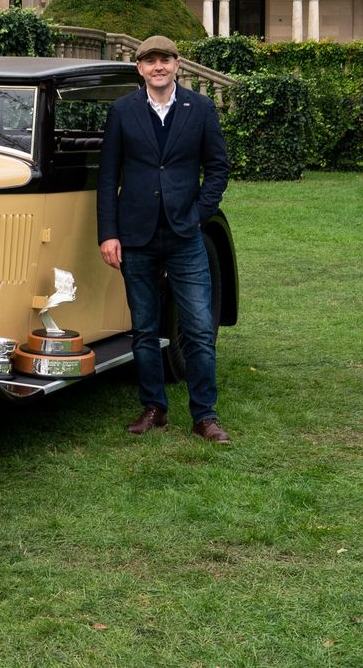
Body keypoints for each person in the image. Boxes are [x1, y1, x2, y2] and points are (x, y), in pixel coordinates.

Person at [95, 34, 232, 441]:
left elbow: (218, 168)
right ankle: (154, 408)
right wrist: (109, 234)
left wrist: (198, 215)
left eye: (165, 59)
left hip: (184, 236)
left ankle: (204, 415)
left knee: (198, 327)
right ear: (140, 68)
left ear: (178, 65)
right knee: (144, 329)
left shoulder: (201, 109)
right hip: (135, 236)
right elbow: (108, 177)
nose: (158, 66)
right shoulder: (122, 111)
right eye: (150, 60)